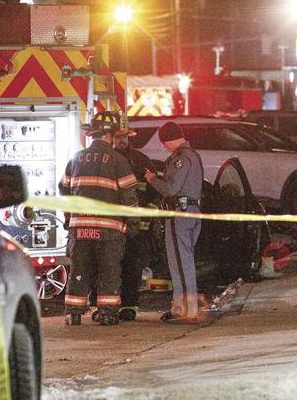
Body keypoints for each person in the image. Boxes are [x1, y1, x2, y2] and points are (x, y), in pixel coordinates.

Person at [59, 111, 138, 326]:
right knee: (108, 270)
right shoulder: (119, 161)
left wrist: (70, 219)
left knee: (79, 269)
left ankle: (73, 313)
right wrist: (133, 224)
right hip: (109, 230)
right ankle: (107, 314)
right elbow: (130, 196)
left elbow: (63, 190)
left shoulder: (75, 159)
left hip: (80, 228)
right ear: (108, 136)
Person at [144, 121, 203, 324]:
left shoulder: (182, 158)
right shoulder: (190, 156)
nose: (164, 147)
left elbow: (171, 188)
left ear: (171, 139)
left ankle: (188, 310)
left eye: (164, 142)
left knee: (181, 263)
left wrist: (152, 179)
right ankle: (180, 308)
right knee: (180, 262)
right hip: (188, 212)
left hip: (181, 215)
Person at [112, 112, 156, 322]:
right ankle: (106, 304)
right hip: (111, 224)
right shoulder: (106, 160)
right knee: (109, 265)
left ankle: (129, 306)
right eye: (117, 137)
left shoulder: (141, 160)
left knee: (131, 266)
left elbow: (153, 191)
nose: (121, 141)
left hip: (135, 226)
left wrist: (146, 222)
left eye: (124, 137)